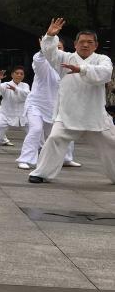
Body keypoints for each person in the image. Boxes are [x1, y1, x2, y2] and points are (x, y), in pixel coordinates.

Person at [29, 19, 115, 184]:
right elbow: (48, 52)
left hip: (95, 115)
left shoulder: (102, 60)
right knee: (54, 139)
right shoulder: (65, 58)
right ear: (75, 44)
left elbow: (104, 74)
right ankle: (41, 173)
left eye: (90, 42)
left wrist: (81, 69)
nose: (85, 45)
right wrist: (49, 36)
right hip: (68, 114)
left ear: (96, 45)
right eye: (82, 42)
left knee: (112, 144)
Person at [16, 38, 80, 170]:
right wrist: (44, 48)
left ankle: (66, 158)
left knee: (65, 132)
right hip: (36, 105)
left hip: (55, 107)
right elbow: (38, 59)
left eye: (59, 47)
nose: (56, 50)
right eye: (53, 47)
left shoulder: (67, 65)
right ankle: (26, 159)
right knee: (36, 129)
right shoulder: (42, 63)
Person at [0, 67, 30, 153]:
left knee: (33, 130)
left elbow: (26, 95)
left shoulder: (25, 85)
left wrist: (15, 89)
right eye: (17, 73)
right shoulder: (5, 84)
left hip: (22, 114)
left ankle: (39, 148)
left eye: (21, 74)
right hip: (6, 113)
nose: (19, 75)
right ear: (12, 74)